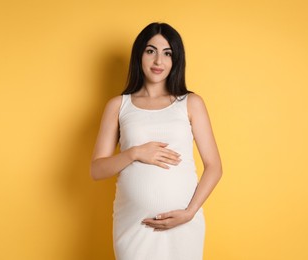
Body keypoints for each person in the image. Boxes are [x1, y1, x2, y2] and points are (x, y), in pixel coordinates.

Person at [90, 22, 222, 260]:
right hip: (134, 226)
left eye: (167, 53)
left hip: (183, 224)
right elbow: (97, 169)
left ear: (175, 60)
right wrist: (134, 153)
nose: (158, 61)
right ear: (139, 55)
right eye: (151, 51)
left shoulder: (191, 103)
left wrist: (190, 213)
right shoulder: (118, 106)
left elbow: (214, 166)